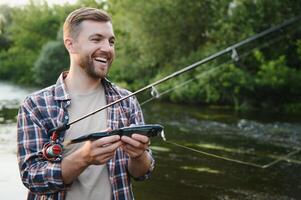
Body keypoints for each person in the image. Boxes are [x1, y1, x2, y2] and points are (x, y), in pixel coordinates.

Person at [17, 7, 154, 200]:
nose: (107, 48)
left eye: (111, 41)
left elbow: (142, 173)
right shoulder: (35, 105)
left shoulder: (128, 100)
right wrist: (84, 157)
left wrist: (139, 155)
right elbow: (32, 178)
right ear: (70, 44)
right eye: (96, 39)